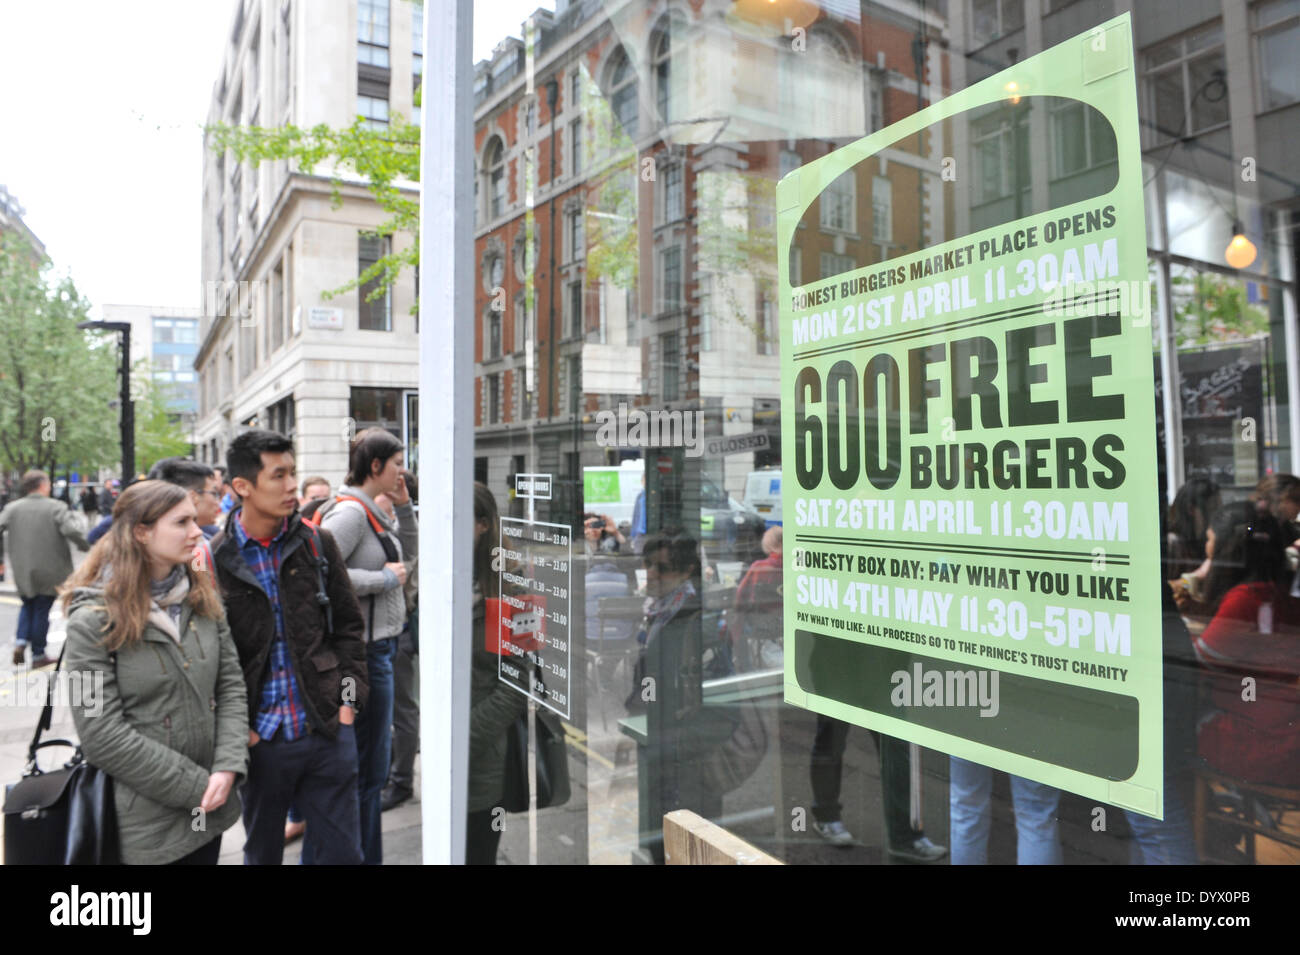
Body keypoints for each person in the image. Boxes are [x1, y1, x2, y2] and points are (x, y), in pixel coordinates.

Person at [60, 480, 249, 865]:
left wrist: (229, 765)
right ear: (141, 532)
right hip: (144, 830)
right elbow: (100, 735)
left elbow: (230, 686)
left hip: (209, 813)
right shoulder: (89, 622)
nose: (197, 531)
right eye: (182, 522)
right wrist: (200, 785)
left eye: (196, 519)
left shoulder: (201, 595)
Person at [208, 429, 369, 865]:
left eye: (293, 472)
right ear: (242, 486)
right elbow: (206, 664)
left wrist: (347, 706)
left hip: (326, 730)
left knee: (342, 856)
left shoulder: (317, 542)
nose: (291, 484)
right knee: (262, 855)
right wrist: (238, 732)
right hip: (260, 744)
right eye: (278, 475)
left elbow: (350, 631)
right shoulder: (213, 560)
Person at [314, 428, 417, 865]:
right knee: (366, 774)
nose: (402, 472)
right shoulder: (352, 514)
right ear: (375, 467)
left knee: (368, 774)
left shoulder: (374, 511)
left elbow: (408, 556)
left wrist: (407, 508)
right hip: (366, 656)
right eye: (396, 464)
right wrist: (383, 580)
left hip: (380, 650)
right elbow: (322, 571)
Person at [1192, 501, 1300, 787]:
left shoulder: (1245, 599)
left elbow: (1195, 662)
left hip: (1264, 745)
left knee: (1170, 730)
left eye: (1210, 539)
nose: (1207, 547)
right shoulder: (1275, 591)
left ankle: (1194, 824)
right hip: (1284, 735)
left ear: (1224, 548)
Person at [468, 482, 528, 863]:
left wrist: (463, 737)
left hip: (483, 759)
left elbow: (517, 685)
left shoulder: (513, 587)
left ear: (485, 525)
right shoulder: (435, 578)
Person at [0, 469, 90, 667]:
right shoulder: (56, 506)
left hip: (22, 567)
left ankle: (21, 641)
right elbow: (70, 530)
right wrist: (86, 546)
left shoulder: (12, 508)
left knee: (27, 604)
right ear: (42, 485)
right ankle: (38, 654)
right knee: (42, 608)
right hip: (51, 568)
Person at [383, 469, 421, 812]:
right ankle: (392, 774)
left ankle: (402, 781)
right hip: (395, 631)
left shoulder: (406, 530)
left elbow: (401, 578)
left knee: (402, 709)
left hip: (402, 631)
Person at [729, 525, 784, 671]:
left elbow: (740, 598)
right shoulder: (795, 567)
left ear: (769, 544)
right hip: (786, 626)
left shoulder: (759, 567)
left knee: (730, 620)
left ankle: (740, 665)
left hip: (760, 628)